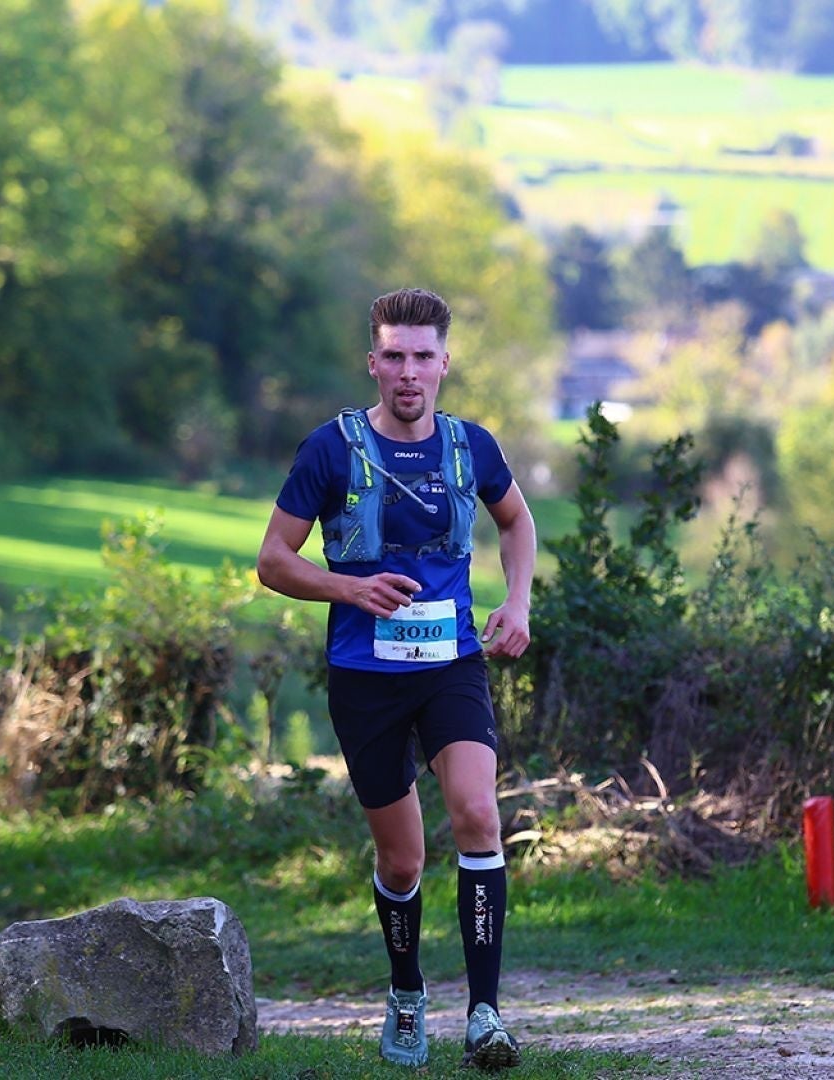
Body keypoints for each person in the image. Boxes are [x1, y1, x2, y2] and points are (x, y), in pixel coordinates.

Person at [257, 287, 536, 1070]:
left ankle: (484, 1014)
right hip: (364, 676)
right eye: (394, 356)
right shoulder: (330, 449)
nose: (408, 371)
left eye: (423, 357)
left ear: (445, 364)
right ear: (372, 363)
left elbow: (515, 520)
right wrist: (352, 588)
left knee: (478, 813)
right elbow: (272, 561)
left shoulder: (471, 446)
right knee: (404, 860)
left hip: (450, 664)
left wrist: (516, 601)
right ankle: (407, 991)